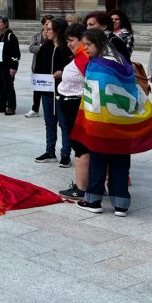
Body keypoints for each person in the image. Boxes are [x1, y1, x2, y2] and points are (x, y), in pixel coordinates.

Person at [71, 28, 152, 216]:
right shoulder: (122, 61)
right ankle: (121, 204)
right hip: (122, 121)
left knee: (98, 161)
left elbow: (94, 95)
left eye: (88, 45)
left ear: (99, 43)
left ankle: (93, 201)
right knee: (121, 161)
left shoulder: (97, 65)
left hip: (102, 122)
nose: (85, 48)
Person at [56, 24, 90, 201]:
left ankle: (81, 187)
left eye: (71, 40)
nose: (69, 44)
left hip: (75, 105)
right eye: (67, 41)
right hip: (70, 104)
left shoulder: (84, 57)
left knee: (80, 146)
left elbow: (91, 82)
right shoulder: (79, 56)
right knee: (79, 145)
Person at [34, 17, 73, 166]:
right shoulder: (45, 46)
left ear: (57, 31)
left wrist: (63, 72)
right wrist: (38, 86)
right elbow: (38, 67)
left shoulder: (66, 48)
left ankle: (65, 154)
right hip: (47, 91)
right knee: (49, 123)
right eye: (46, 28)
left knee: (64, 124)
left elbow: (75, 67)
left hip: (64, 92)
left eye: (49, 29)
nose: (46, 31)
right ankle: (50, 151)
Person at [26, 14, 55, 117]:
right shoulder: (37, 36)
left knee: (50, 89)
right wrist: (43, 48)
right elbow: (31, 48)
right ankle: (35, 109)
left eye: (50, 24)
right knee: (37, 88)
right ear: (42, 25)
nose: (47, 26)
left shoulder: (53, 36)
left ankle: (52, 109)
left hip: (50, 66)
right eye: (46, 24)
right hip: (38, 65)